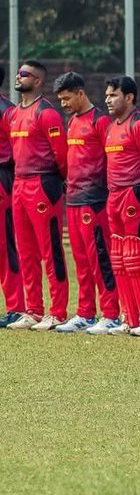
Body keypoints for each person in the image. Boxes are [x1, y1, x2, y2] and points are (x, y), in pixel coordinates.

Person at [52, 71, 120, 333]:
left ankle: (111, 314)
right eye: (60, 100)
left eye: (67, 98)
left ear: (81, 93)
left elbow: (110, 160)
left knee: (99, 258)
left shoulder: (100, 121)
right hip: (75, 198)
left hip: (95, 199)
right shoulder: (71, 122)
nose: (64, 104)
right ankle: (85, 313)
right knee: (80, 259)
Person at [5, 60, 68, 330]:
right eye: (19, 73)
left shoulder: (47, 113)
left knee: (50, 249)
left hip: (43, 184)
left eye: (25, 74)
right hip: (19, 184)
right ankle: (33, 310)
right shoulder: (13, 114)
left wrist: (55, 182)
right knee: (26, 251)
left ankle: (58, 312)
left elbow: (62, 155)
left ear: (38, 81)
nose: (19, 77)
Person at [101, 75, 140, 334]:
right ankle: (131, 317)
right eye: (107, 95)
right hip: (114, 196)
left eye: (113, 95)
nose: (108, 100)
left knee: (137, 257)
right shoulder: (112, 127)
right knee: (119, 258)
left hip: (136, 195)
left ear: (129, 97)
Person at [0, 67, 24, 326]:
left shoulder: (7, 111)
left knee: (4, 244)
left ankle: (16, 306)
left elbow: (19, 150)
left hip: (2, 178)